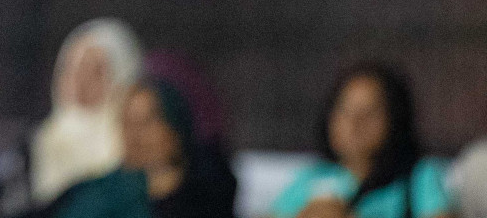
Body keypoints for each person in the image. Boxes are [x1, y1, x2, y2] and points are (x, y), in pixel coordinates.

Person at [267, 62, 453, 218]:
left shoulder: (419, 177)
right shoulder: (312, 177)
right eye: (345, 111)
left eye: (370, 113)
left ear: (395, 119)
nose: (354, 124)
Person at [51, 76, 236, 218]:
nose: (135, 135)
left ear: (175, 127)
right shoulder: (93, 194)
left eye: (147, 122)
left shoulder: (210, 197)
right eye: (127, 123)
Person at [31, 19, 146, 207]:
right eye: (74, 68)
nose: (81, 82)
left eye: (97, 72)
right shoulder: (42, 141)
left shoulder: (137, 143)